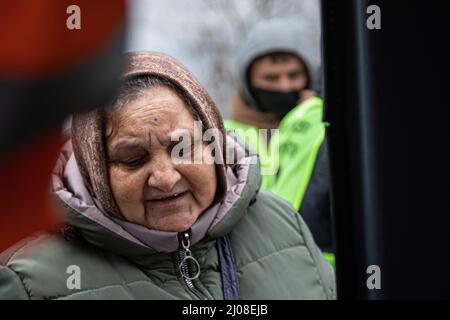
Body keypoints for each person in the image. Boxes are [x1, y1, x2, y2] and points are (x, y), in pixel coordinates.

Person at [0, 52, 335, 300]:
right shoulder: (26, 281)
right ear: (94, 172)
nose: (164, 177)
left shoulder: (281, 222)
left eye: (183, 149)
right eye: (132, 159)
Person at [224, 19, 334, 263]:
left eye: (294, 75)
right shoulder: (224, 137)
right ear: (249, 83)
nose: (285, 85)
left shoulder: (324, 124)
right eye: (271, 78)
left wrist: (311, 115)